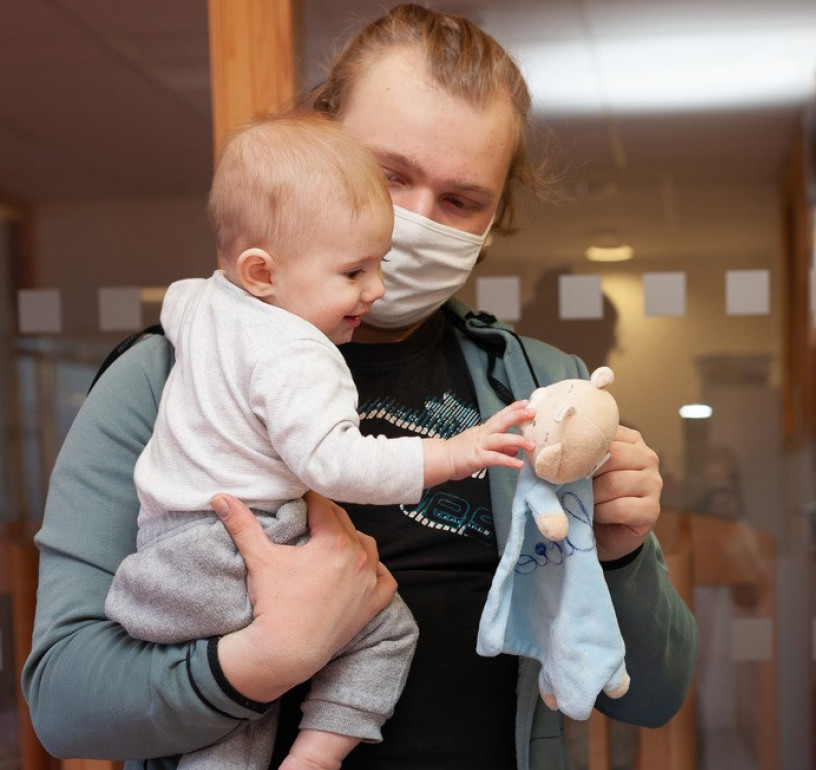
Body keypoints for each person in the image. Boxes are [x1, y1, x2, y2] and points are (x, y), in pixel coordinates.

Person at [23, 5, 699, 769]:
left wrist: (618, 552)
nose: (411, 221)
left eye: (460, 201)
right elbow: (64, 706)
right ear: (318, 143)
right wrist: (263, 660)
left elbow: (654, 696)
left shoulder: (539, 391)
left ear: (494, 219)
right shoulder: (163, 379)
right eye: (388, 175)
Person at [102, 112, 533, 770]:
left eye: (378, 265)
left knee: (237, 711)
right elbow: (334, 463)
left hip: (166, 559)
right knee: (386, 629)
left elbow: (183, 308)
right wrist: (450, 453)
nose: (376, 289)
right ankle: (318, 757)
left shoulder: (197, 303)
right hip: (233, 556)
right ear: (261, 272)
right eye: (354, 271)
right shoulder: (299, 352)